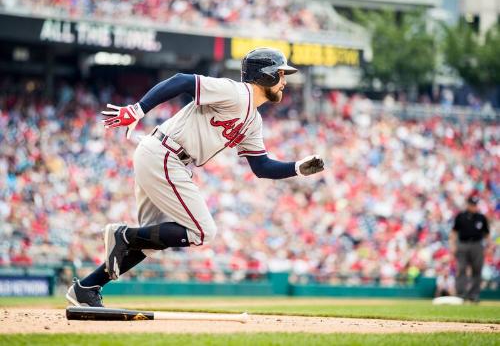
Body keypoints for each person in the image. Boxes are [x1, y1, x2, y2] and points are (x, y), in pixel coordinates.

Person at [65, 47, 325, 307]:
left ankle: (87, 287)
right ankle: (123, 235)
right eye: (281, 74)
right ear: (266, 75)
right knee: (202, 231)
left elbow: (261, 166)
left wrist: (297, 168)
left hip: (165, 156)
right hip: (166, 153)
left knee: (149, 242)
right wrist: (137, 109)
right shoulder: (236, 92)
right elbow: (182, 81)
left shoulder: (253, 120)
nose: (285, 81)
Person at [449, 195, 490, 303]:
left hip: (477, 245)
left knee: (477, 270)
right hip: (463, 244)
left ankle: (474, 294)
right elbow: (454, 232)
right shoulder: (461, 216)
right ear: (468, 205)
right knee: (461, 268)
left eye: (475, 205)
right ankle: (461, 294)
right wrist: (453, 245)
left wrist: (489, 246)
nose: (474, 207)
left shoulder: (481, 217)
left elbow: (486, 234)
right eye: (472, 205)